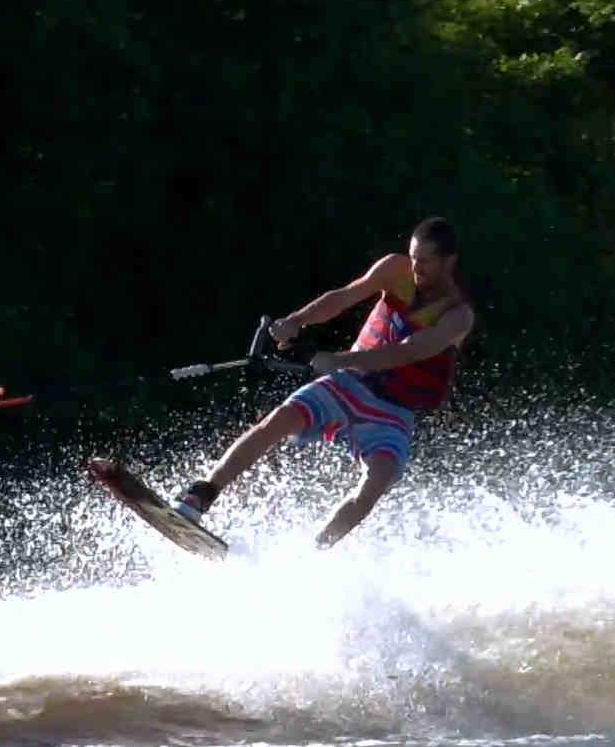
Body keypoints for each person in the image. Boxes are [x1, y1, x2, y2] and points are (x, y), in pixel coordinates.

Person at [173, 216, 475, 547]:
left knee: (374, 485)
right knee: (281, 419)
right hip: (349, 384)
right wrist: (296, 321)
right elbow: (343, 297)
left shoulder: (458, 316)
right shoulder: (394, 269)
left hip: (392, 413)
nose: (416, 269)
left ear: (449, 261)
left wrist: (338, 360)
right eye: (414, 258)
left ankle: (313, 553)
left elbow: (408, 352)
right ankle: (201, 495)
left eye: (426, 263)